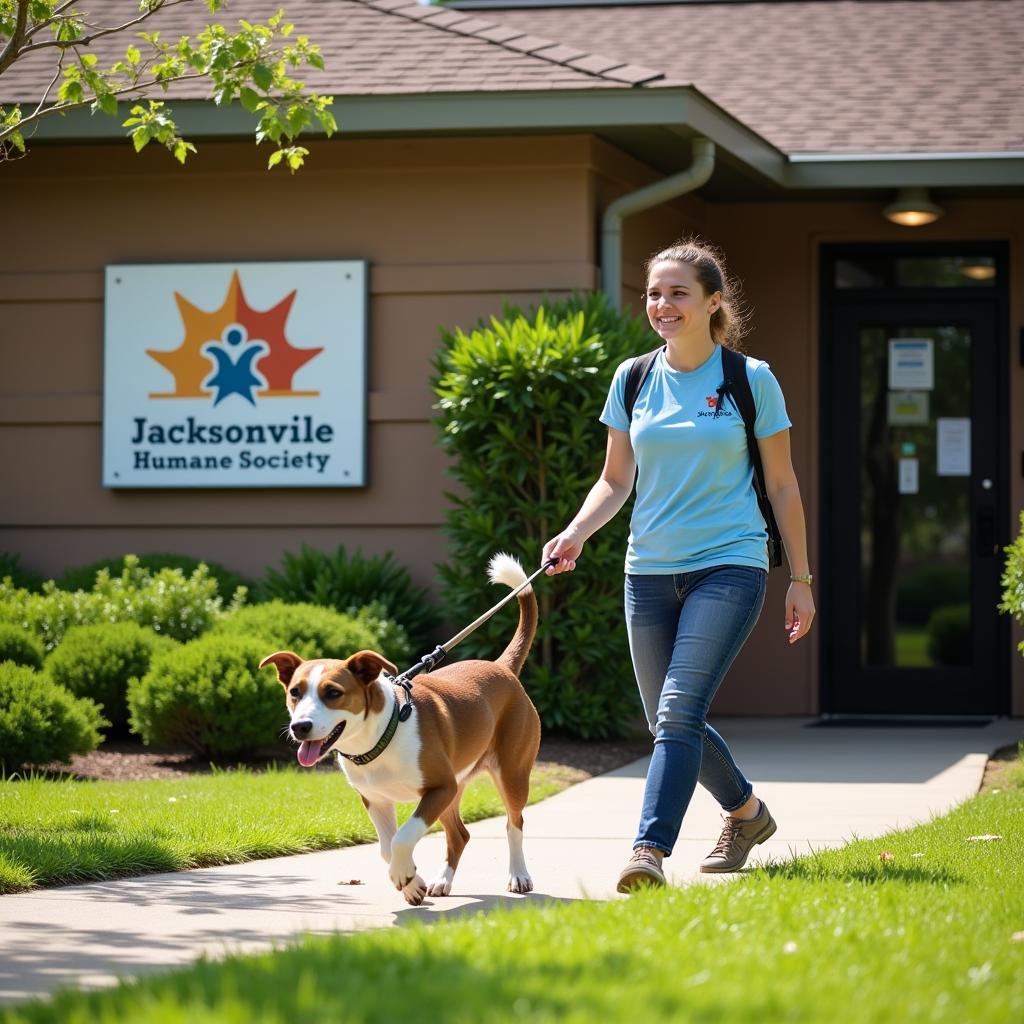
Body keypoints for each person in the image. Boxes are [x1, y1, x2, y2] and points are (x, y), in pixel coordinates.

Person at [542, 238, 814, 892]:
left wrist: (801, 579)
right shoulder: (633, 377)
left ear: (714, 302)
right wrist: (575, 533)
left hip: (730, 565)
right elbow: (614, 479)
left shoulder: (751, 380)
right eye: (654, 293)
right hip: (648, 573)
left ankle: (648, 850)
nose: (662, 304)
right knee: (672, 718)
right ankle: (746, 813)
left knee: (677, 711)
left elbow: (781, 484)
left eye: (678, 293)